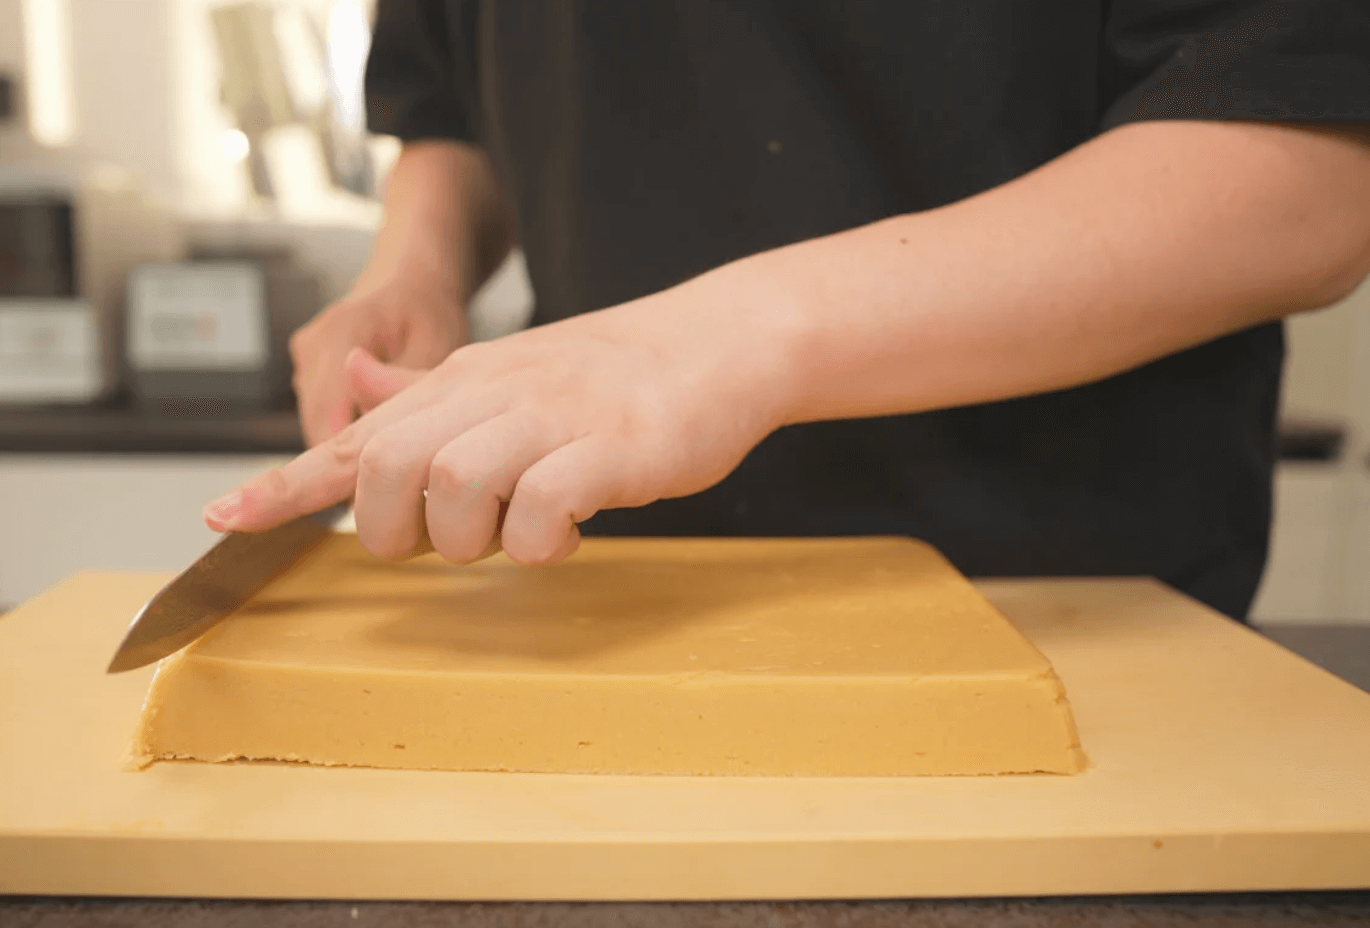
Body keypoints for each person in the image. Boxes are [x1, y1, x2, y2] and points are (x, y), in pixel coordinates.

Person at [204, 1, 1370, 621]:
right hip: (591, 595)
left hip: (1062, 606)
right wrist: (412, 268)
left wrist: (707, 344)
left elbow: (1302, 175)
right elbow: (452, 94)